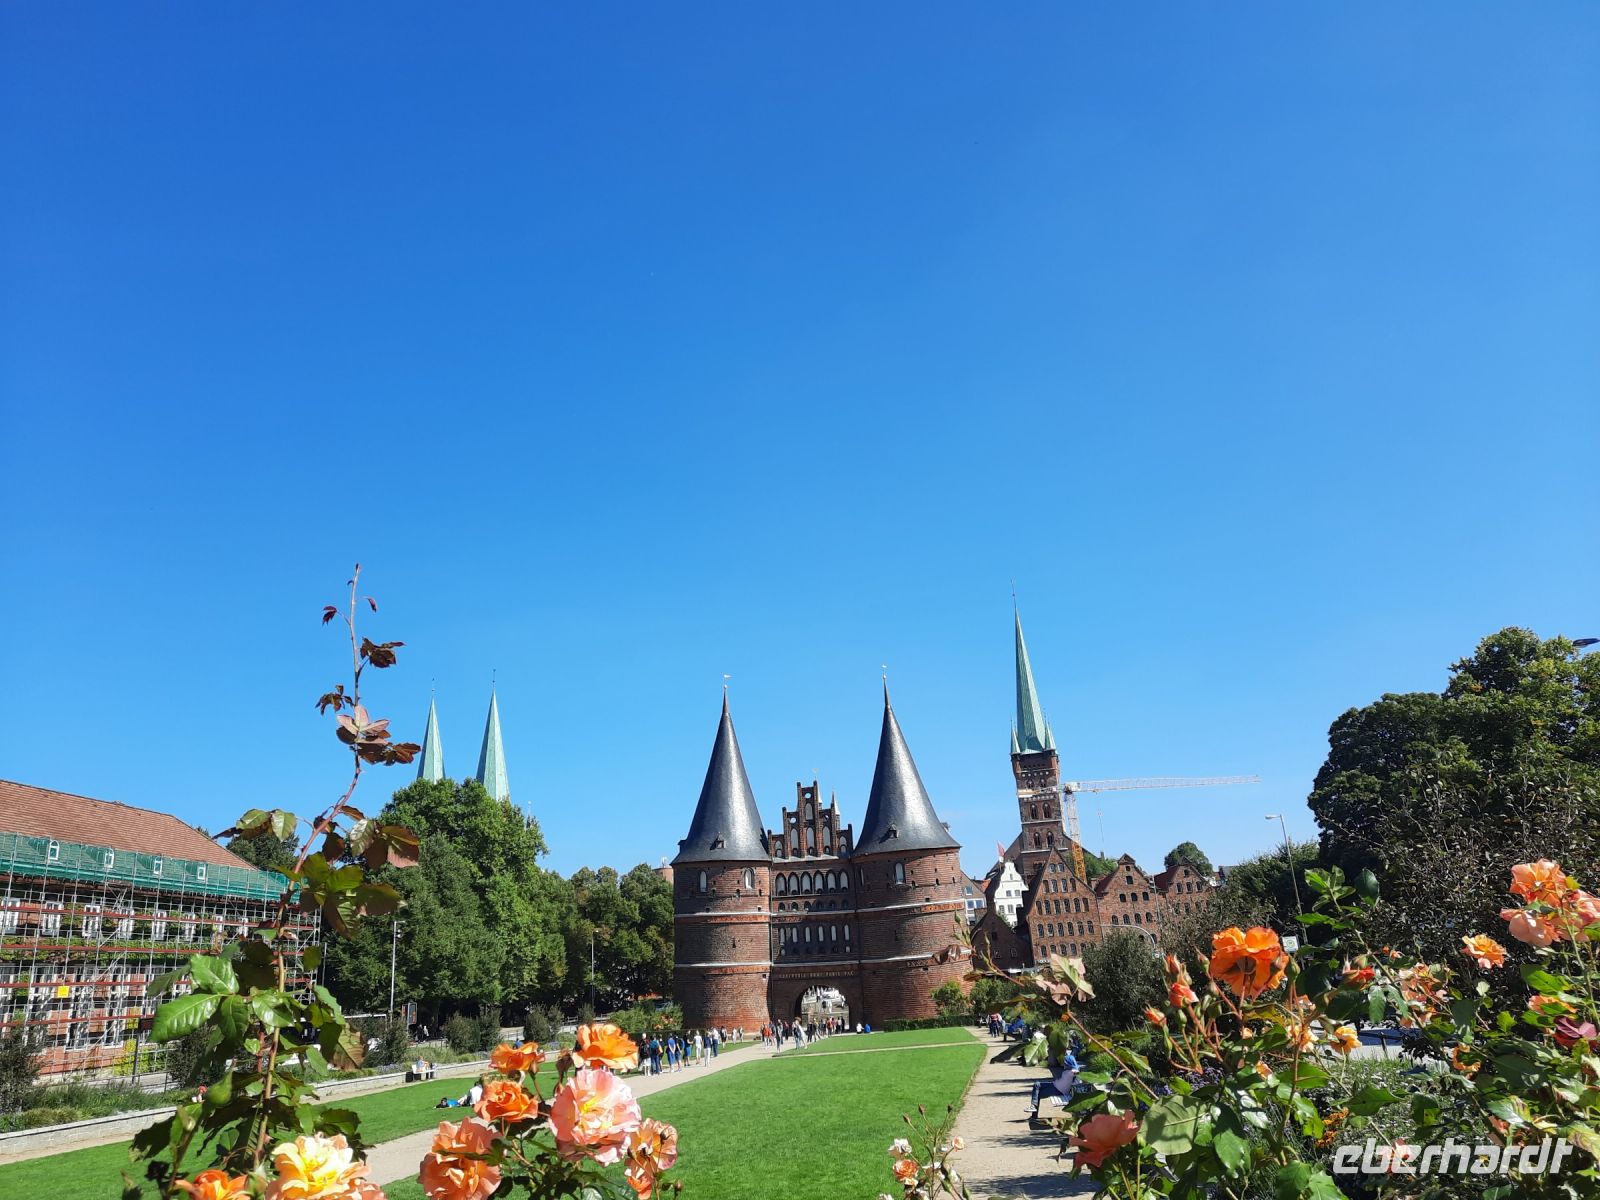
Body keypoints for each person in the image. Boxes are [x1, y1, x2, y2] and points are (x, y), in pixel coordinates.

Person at [1027, 1048, 1080, 1118]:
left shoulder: (1071, 1071)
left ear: (1069, 1063)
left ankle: (1034, 1115)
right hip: (1054, 1085)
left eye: (1065, 1062)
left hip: (1058, 1090)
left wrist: (1077, 1071)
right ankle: (1033, 1106)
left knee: (1038, 1094)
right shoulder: (1068, 1070)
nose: (1064, 1063)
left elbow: (1077, 1072)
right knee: (1037, 1084)